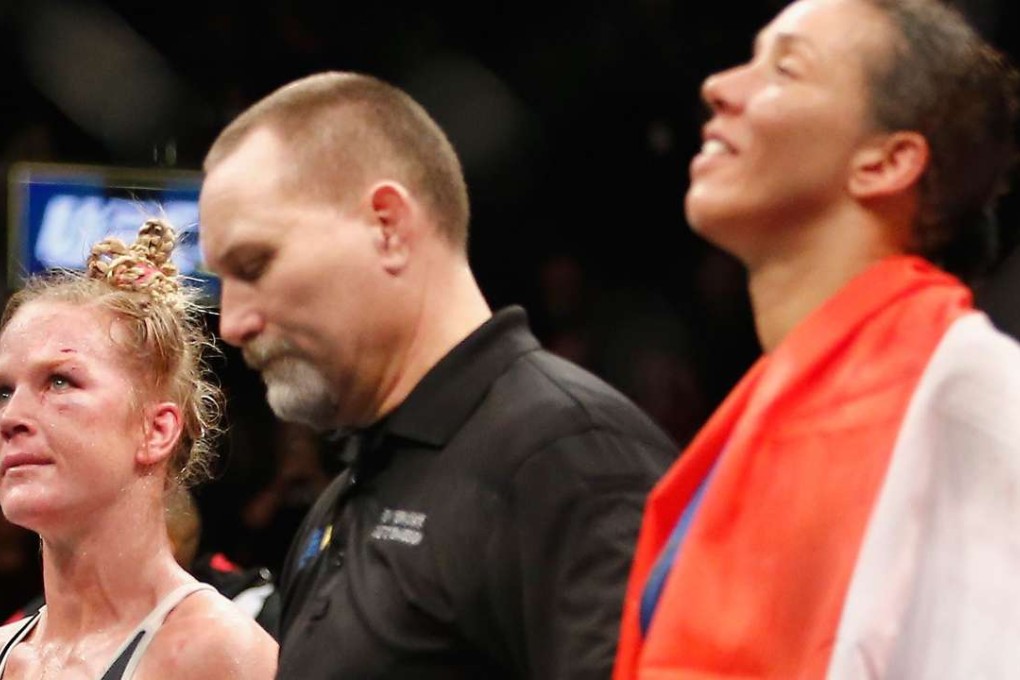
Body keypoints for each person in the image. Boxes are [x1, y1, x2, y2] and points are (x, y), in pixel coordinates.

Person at [198, 71, 677, 679]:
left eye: (254, 264)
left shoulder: (569, 461)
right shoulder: (342, 502)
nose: (233, 322)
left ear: (388, 228)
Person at [613, 0, 1020, 678]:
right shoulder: (753, 417)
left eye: (786, 68)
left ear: (885, 163)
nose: (721, 86)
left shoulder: (970, 388)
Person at [0, 219, 277, 679]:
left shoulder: (220, 657)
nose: (11, 417)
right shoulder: (8, 652)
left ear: (156, 430)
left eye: (60, 381)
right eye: (5, 391)